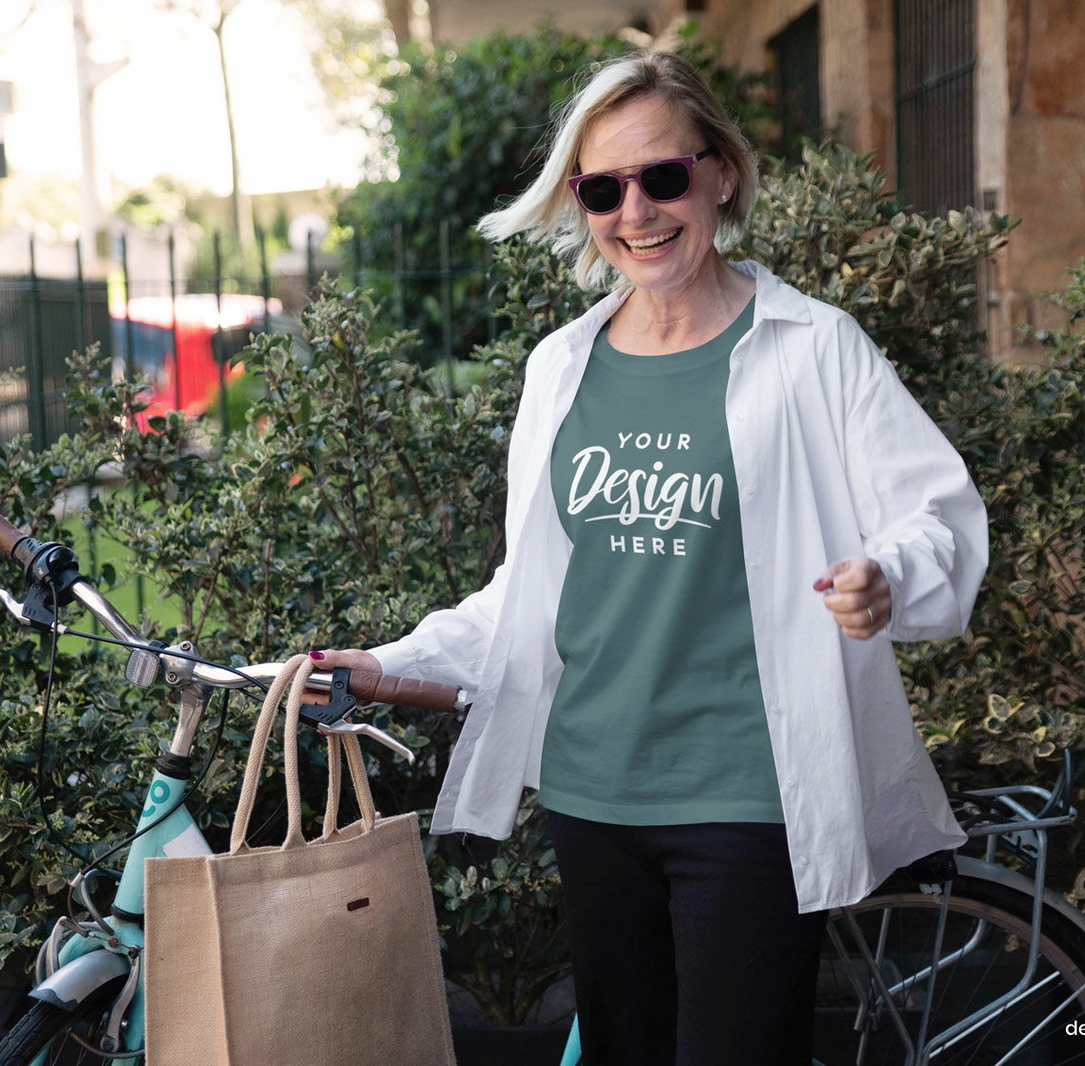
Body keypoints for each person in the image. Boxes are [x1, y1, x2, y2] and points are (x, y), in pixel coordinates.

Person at [313, 50, 987, 1066]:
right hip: (592, 797)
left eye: (663, 175)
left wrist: (886, 576)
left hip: (747, 795)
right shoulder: (561, 368)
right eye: (601, 188)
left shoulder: (813, 347)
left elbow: (936, 513)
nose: (637, 211)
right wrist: (387, 660)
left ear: (719, 173)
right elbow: (531, 590)